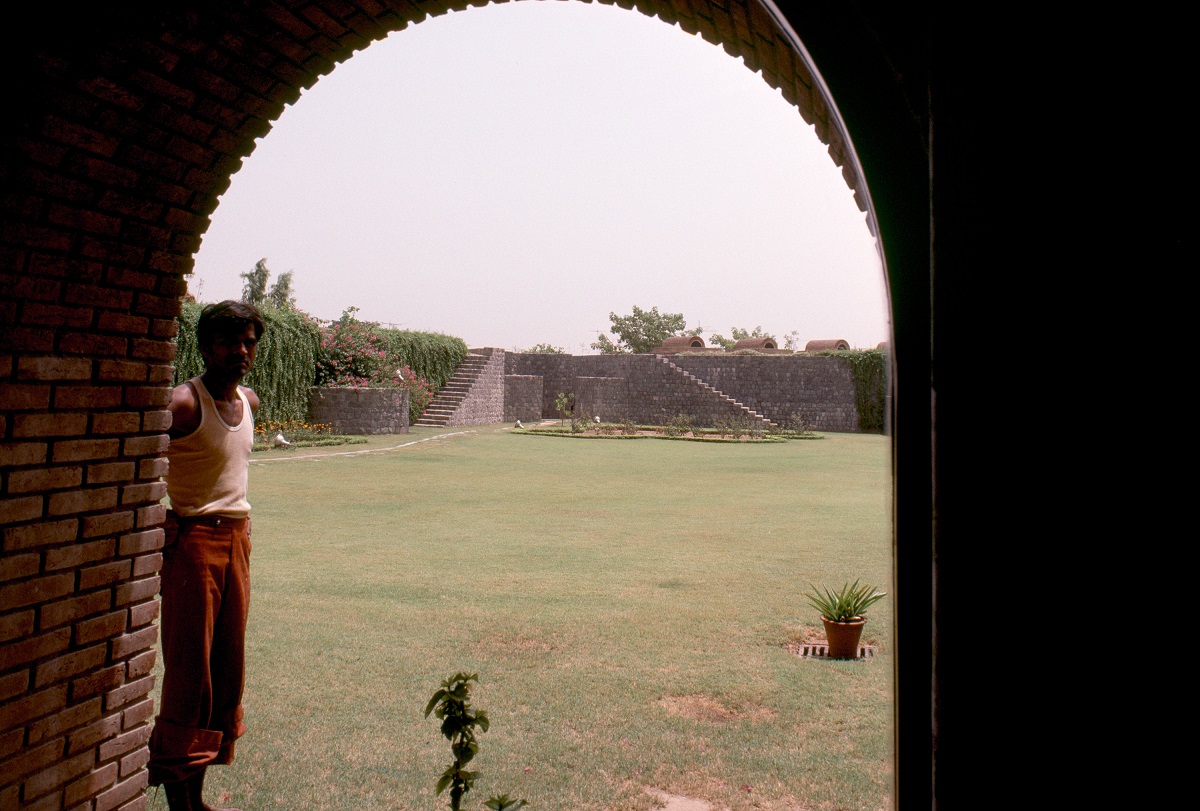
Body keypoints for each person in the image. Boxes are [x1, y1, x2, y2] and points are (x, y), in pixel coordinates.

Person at [148, 301, 264, 811]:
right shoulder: (183, 403)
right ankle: (181, 803)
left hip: (237, 541)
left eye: (249, 342)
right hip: (194, 544)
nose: (240, 351)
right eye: (228, 341)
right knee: (190, 672)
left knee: (226, 668)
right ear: (204, 346)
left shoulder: (250, 402)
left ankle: (198, 798)